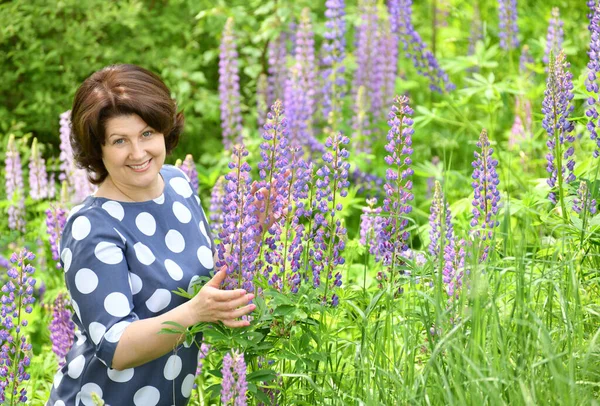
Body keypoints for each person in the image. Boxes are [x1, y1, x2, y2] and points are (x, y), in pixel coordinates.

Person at [47, 64, 256, 406]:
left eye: (147, 133)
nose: (138, 152)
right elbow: (115, 347)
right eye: (119, 140)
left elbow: (206, 270)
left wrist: (258, 223)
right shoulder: (91, 227)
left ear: (164, 130)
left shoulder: (177, 183)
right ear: (97, 149)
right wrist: (193, 313)